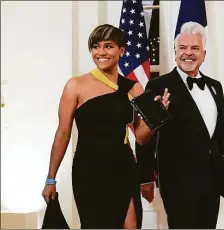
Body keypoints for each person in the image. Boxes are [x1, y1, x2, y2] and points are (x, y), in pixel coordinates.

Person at [41, 24, 170, 229]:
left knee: (131, 225)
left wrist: (157, 116)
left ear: (121, 50)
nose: (101, 52)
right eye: (96, 46)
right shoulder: (75, 85)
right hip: (89, 170)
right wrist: (51, 179)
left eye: (108, 46)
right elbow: (63, 133)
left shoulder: (133, 87)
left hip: (123, 168)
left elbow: (141, 137)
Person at [143, 21, 224, 228]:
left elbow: (220, 133)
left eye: (195, 48)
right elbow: (146, 138)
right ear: (175, 52)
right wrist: (145, 177)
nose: (188, 54)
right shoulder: (158, 86)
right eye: (183, 48)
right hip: (177, 181)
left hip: (211, 180)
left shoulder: (215, 87)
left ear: (204, 53)